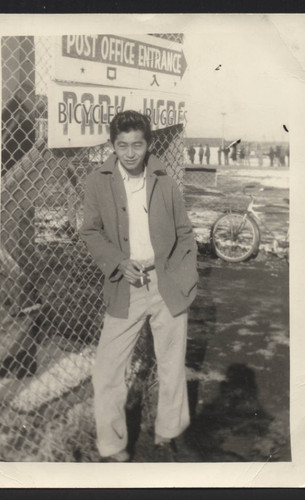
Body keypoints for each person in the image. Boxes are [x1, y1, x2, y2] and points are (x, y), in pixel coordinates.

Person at [81, 110, 198, 462]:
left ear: (147, 145)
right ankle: (113, 447)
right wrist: (118, 261)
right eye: (122, 146)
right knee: (107, 371)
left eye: (137, 145)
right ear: (112, 145)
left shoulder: (163, 177)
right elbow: (90, 231)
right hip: (125, 286)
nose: (130, 153)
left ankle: (168, 433)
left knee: (171, 363)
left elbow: (184, 231)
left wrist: (184, 276)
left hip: (166, 282)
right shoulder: (98, 180)